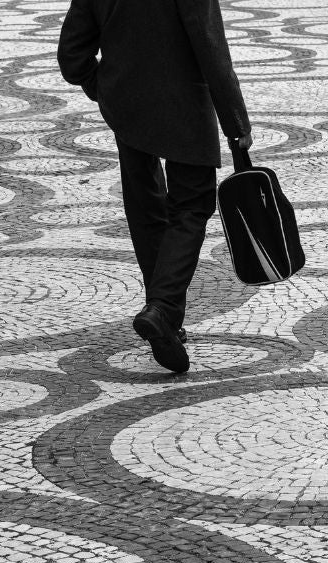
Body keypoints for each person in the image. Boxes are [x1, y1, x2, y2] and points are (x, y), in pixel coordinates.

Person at [58, 0, 252, 373]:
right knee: (193, 204)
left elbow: (71, 54)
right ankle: (162, 309)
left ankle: (164, 317)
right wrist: (236, 123)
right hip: (184, 103)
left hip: (126, 102)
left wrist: (105, 87)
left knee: (144, 204)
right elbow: (211, 48)